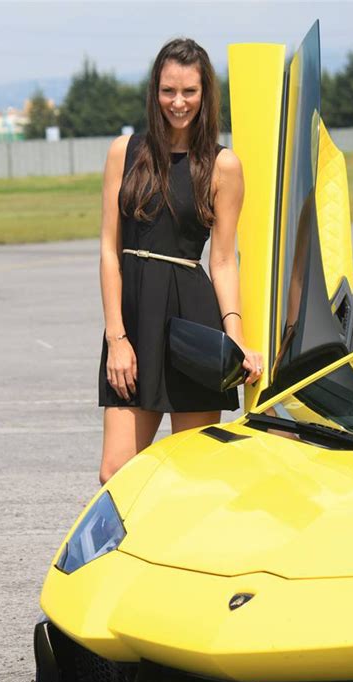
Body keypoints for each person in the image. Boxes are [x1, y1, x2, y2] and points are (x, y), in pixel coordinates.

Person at [98, 37, 263, 485]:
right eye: (169, 90)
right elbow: (109, 252)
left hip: (192, 323)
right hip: (133, 321)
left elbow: (224, 260)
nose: (178, 101)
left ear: (205, 94)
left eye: (189, 91)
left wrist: (238, 339)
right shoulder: (124, 153)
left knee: (195, 478)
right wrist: (117, 337)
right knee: (116, 473)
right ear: (155, 91)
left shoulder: (222, 166)